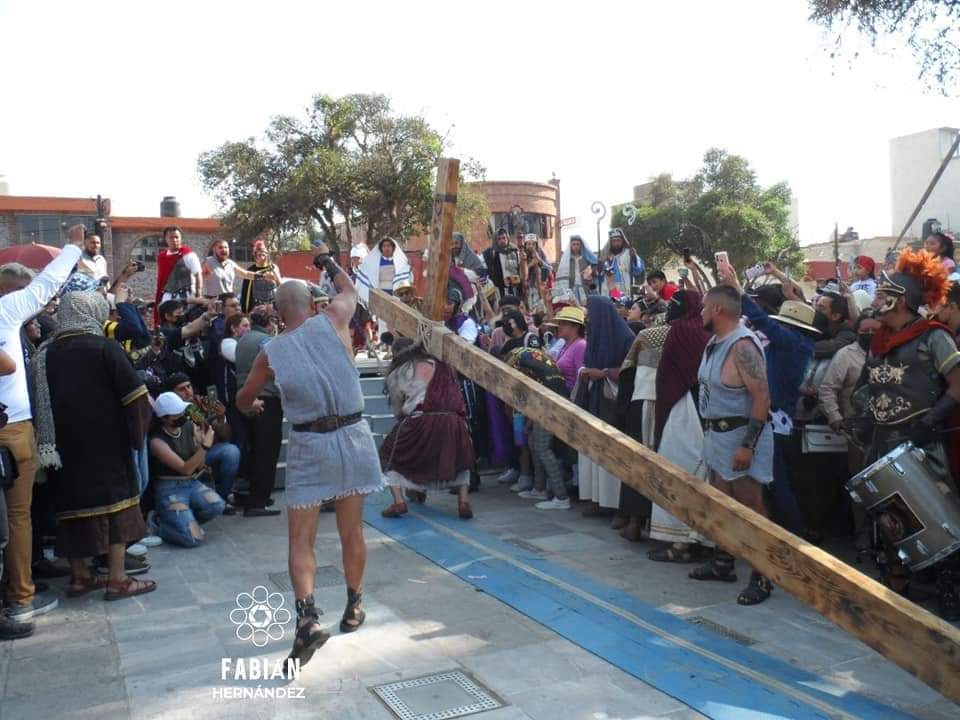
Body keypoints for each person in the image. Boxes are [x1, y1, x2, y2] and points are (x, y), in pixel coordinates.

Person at [237, 250, 385, 672]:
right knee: (352, 531)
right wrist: (330, 264)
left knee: (301, 540)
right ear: (313, 305)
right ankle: (354, 607)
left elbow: (244, 398)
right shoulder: (334, 319)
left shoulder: (270, 352)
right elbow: (351, 289)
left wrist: (252, 407)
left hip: (309, 444)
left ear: (277, 312)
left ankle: (307, 619)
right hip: (354, 436)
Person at [29, 291, 156, 601]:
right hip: (107, 446)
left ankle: (80, 576)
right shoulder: (104, 347)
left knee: (71, 511)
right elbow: (136, 396)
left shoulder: (44, 354)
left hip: (59, 450)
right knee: (116, 510)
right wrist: (136, 436)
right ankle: (118, 579)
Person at [863, 249, 960, 618]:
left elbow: (958, 385)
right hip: (883, 439)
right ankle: (898, 583)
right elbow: (872, 387)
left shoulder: (934, 337)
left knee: (939, 515)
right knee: (891, 517)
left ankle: (950, 589)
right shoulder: (878, 340)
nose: (875, 301)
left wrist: (929, 422)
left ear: (899, 299)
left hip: (922, 440)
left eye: (881, 294)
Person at [0, 232, 85, 627]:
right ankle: (20, 597)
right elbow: (48, 283)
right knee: (18, 518)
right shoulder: (6, 309)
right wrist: (74, 245)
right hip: (12, 428)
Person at [690, 284, 775, 606]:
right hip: (717, 436)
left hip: (741, 436)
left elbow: (762, 398)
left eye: (704, 307)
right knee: (721, 503)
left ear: (717, 310)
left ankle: (763, 575)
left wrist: (747, 446)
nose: (701, 312)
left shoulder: (742, 346)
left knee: (751, 508)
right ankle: (723, 562)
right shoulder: (715, 342)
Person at [718, 263, 818, 537]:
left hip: (774, 419)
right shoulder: (800, 344)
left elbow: (761, 320)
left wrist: (737, 288)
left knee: (774, 481)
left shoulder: (790, 342)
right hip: (778, 417)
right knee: (772, 479)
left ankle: (792, 534)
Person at [645, 291, 711, 562]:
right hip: (700, 408)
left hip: (683, 409)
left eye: (675, 303)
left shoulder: (683, 330)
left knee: (677, 471)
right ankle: (698, 538)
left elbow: (675, 374)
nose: (670, 307)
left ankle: (680, 542)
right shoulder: (705, 330)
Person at [380, 339, 476, 519]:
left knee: (388, 452)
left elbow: (398, 410)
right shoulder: (443, 366)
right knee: (461, 456)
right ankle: (464, 500)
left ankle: (399, 501)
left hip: (421, 421)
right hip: (454, 422)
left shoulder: (400, 371)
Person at [818, 310, 880, 550]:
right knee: (860, 484)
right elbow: (827, 389)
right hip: (857, 433)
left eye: (874, 330)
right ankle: (862, 532)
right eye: (865, 331)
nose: (870, 334)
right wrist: (835, 417)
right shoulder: (845, 355)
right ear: (857, 332)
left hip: (886, 430)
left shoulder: (890, 352)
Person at [575, 296, 635, 517]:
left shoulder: (626, 338)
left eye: (591, 313)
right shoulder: (594, 337)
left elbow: (630, 371)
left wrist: (603, 373)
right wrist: (585, 372)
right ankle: (596, 499)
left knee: (609, 450)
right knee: (592, 450)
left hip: (612, 404)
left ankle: (613, 503)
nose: (588, 318)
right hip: (593, 399)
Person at [234, 306, 282, 517]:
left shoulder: (243, 339)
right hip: (265, 398)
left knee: (253, 450)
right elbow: (276, 368)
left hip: (244, 398)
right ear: (269, 323)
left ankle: (249, 495)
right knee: (266, 451)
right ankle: (258, 501)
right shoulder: (267, 342)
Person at [202, 239, 274, 299]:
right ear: (214, 250)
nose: (224, 250)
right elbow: (199, 277)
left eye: (226, 247)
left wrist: (263, 276)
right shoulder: (208, 262)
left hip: (228, 301)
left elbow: (245, 274)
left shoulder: (230, 264)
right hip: (212, 302)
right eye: (220, 247)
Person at [155, 226, 202, 315]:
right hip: (168, 296)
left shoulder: (189, 255)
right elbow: (162, 279)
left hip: (186, 296)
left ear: (181, 238)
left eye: (176, 237)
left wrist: (198, 294)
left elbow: (198, 274)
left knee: (185, 319)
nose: (174, 240)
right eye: (171, 237)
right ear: (166, 239)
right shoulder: (162, 257)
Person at [239, 240, 284, 313]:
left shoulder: (273, 267)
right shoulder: (251, 270)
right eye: (259, 255)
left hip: (273, 306)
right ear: (255, 256)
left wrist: (274, 275)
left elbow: (280, 285)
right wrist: (246, 311)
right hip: (257, 307)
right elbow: (246, 293)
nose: (262, 257)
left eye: (264, 254)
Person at [600, 229, 644, 298]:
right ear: (611, 242)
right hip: (611, 288)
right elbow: (600, 273)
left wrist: (634, 258)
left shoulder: (629, 253)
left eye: (618, 241)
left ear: (622, 241)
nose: (616, 243)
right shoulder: (605, 256)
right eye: (614, 241)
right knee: (613, 302)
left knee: (625, 303)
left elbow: (638, 270)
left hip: (626, 287)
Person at [556, 235, 597, 304]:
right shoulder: (566, 260)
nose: (576, 246)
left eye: (578, 244)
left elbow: (595, 266)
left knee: (586, 306)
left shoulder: (586, 258)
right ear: (571, 245)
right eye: (574, 244)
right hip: (571, 289)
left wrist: (590, 271)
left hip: (585, 288)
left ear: (581, 245)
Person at [483, 228, 523, 298]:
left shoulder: (514, 250)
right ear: (496, 240)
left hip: (514, 287)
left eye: (504, 238)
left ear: (507, 238)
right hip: (499, 288)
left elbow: (519, 268)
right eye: (499, 239)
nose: (502, 241)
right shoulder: (490, 253)